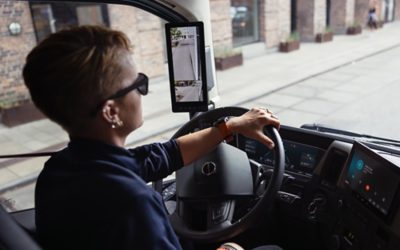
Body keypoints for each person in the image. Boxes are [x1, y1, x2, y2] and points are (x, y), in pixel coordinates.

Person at [23, 25, 280, 250]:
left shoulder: (58, 171)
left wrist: (230, 127)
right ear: (111, 111)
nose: (144, 92)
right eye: (139, 84)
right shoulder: (131, 204)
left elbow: (161, 156)